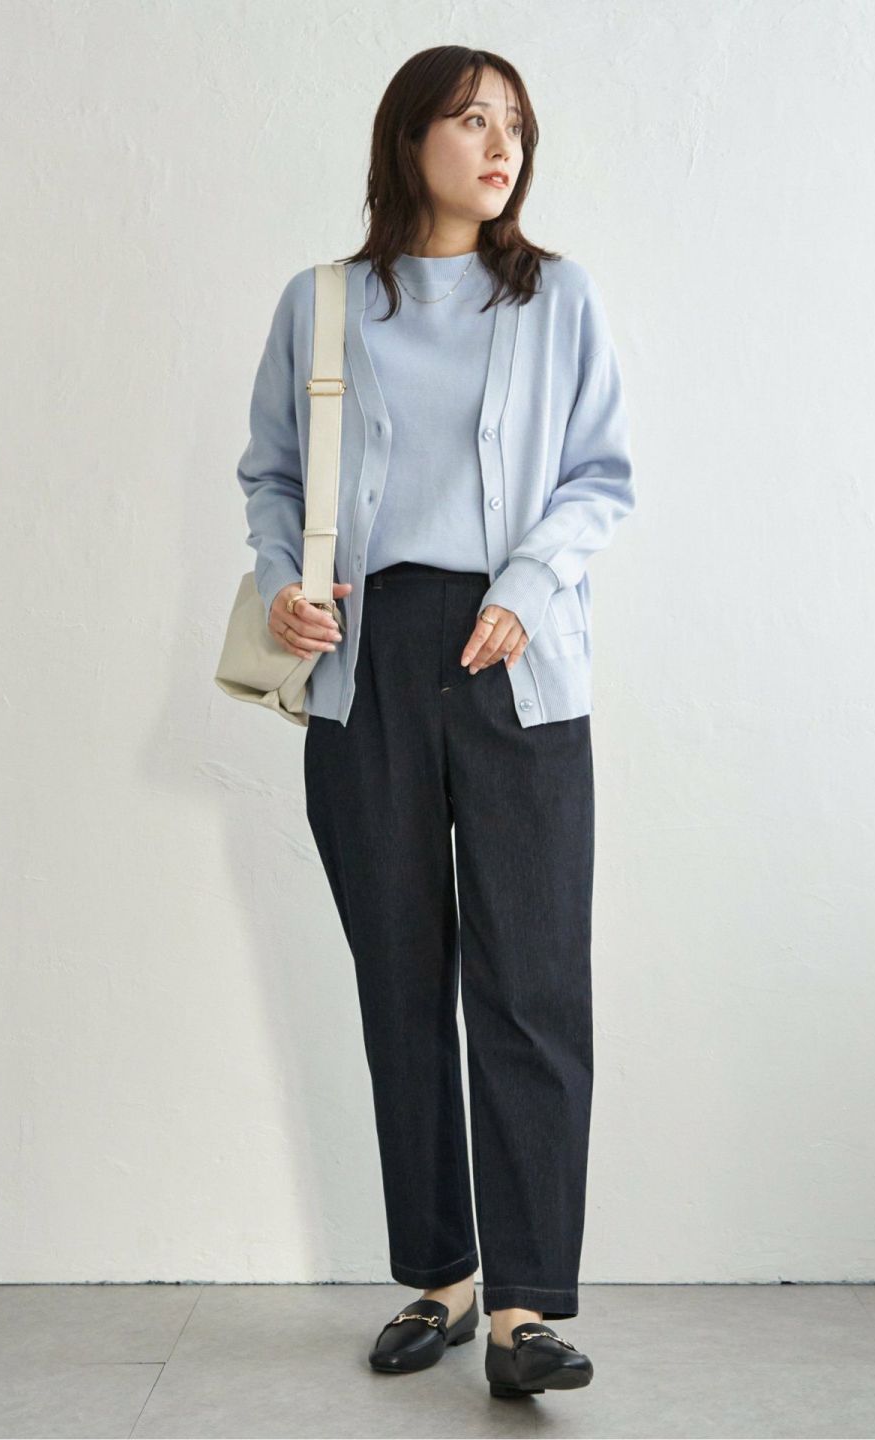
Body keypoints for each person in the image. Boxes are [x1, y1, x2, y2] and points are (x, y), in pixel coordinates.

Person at [236, 45, 635, 1402]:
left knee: (532, 981)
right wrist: (287, 586)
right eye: (470, 120)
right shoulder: (324, 304)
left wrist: (526, 586)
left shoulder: (559, 298)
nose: (499, 143)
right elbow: (273, 476)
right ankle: (442, 1278)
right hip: (368, 661)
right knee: (399, 979)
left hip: (517, 657)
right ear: (409, 140)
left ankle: (525, 1308)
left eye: (513, 122)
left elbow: (599, 477)